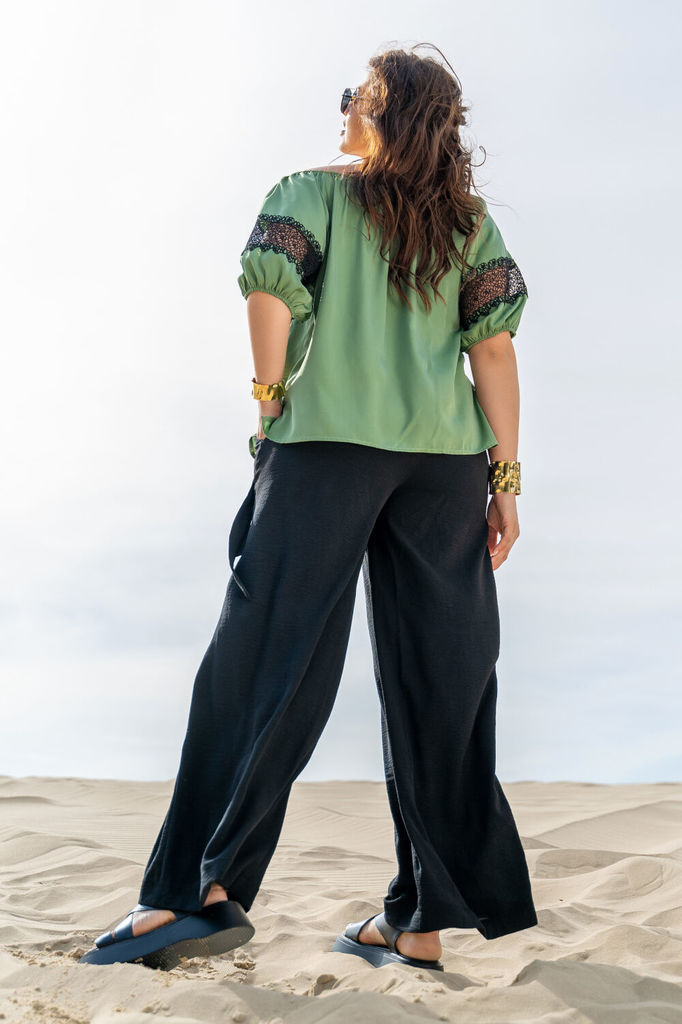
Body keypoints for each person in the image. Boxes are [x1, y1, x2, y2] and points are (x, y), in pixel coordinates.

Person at [80, 43, 538, 973]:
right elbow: (492, 349)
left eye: (355, 96)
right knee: (442, 683)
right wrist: (506, 479)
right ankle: (420, 922)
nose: (342, 109)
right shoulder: (469, 225)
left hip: (325, 448)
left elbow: (269, 288)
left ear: (383, 113)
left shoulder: (309, 192)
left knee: (263, 658)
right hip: (445, 467)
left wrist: (267, 399)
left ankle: (191, 895)